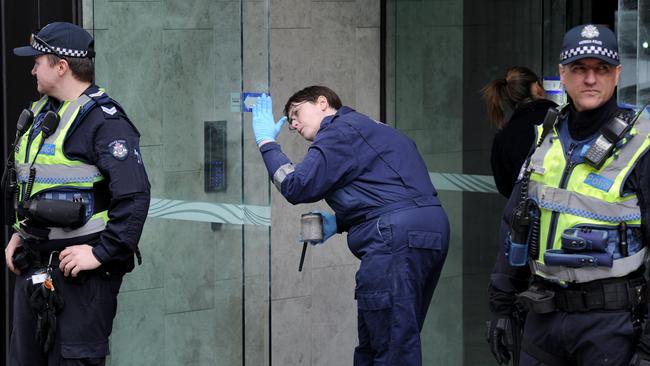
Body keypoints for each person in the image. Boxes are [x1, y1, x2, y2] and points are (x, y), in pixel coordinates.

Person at [487, 24, 650, 366]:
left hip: (611, 327)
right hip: (543, 317)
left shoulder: (642, 143)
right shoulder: (546, 137)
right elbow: (513, 224)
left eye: (601, 69)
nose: (590, 79)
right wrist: (501, 306)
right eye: (579, 68)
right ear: (562, 74)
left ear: (617, 74)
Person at [251, 86, 450, 366]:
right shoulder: (368, 128)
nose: (292, 124)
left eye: (296, 113)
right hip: (422, 231)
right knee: (383, 342)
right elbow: (389, 185)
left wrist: (266, 143)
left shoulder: (337, 132)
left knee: (391, 349)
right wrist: (341, 221)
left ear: (322, 102)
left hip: (393, 239)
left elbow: (296, 186)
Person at [2, 22, 150, 365]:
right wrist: (18, 234)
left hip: (80, 283)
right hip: (35, 272)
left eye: (38, 60)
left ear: (62, 66)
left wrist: (101, 253)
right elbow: (34, 184)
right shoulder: (42, 114)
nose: (32, 68)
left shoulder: (104, 121)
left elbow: (136, 196)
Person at [482, 66, 558, 198]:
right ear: (536, 87)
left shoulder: (503, 136)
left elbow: (505, 188)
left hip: (524, 213)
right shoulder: (564, 118)